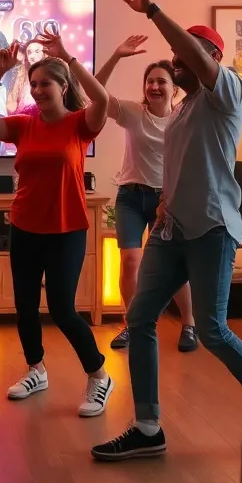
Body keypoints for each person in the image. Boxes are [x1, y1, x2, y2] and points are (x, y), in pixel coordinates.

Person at [93, 0, 242, 462]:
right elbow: (178, 165)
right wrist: (162, 204)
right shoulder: (182, 107)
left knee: (215, 328)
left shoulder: (230, 93)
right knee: (140, 320)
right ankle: (148, 426)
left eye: (186, 53)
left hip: (213, 227)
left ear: (212, 58)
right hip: (170, 228)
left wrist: (153, 9)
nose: (174, 62)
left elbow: (196, 60)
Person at [0, 31, 115, 416]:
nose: (37, 90)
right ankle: (36, 369)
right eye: (32, 84)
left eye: (45, 82)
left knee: (63, 310)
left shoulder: (81, 124)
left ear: (63, 87)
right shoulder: (22, 126)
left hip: (67, 229)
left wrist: (69, 58)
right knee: (26, 307)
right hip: (26, 227)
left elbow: (103, 99)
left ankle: (99, 375)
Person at [93, 34, 196, 354]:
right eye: (149, 81)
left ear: (174, 88)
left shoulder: (184, 117)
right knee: (130, 259)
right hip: (131, 196)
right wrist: (116, 55)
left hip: (168, 200)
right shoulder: (131, 112)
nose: (154, 87)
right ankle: (133, 323)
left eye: (161, 82)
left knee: (173, 265)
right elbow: (93, 92)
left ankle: (189, 324)